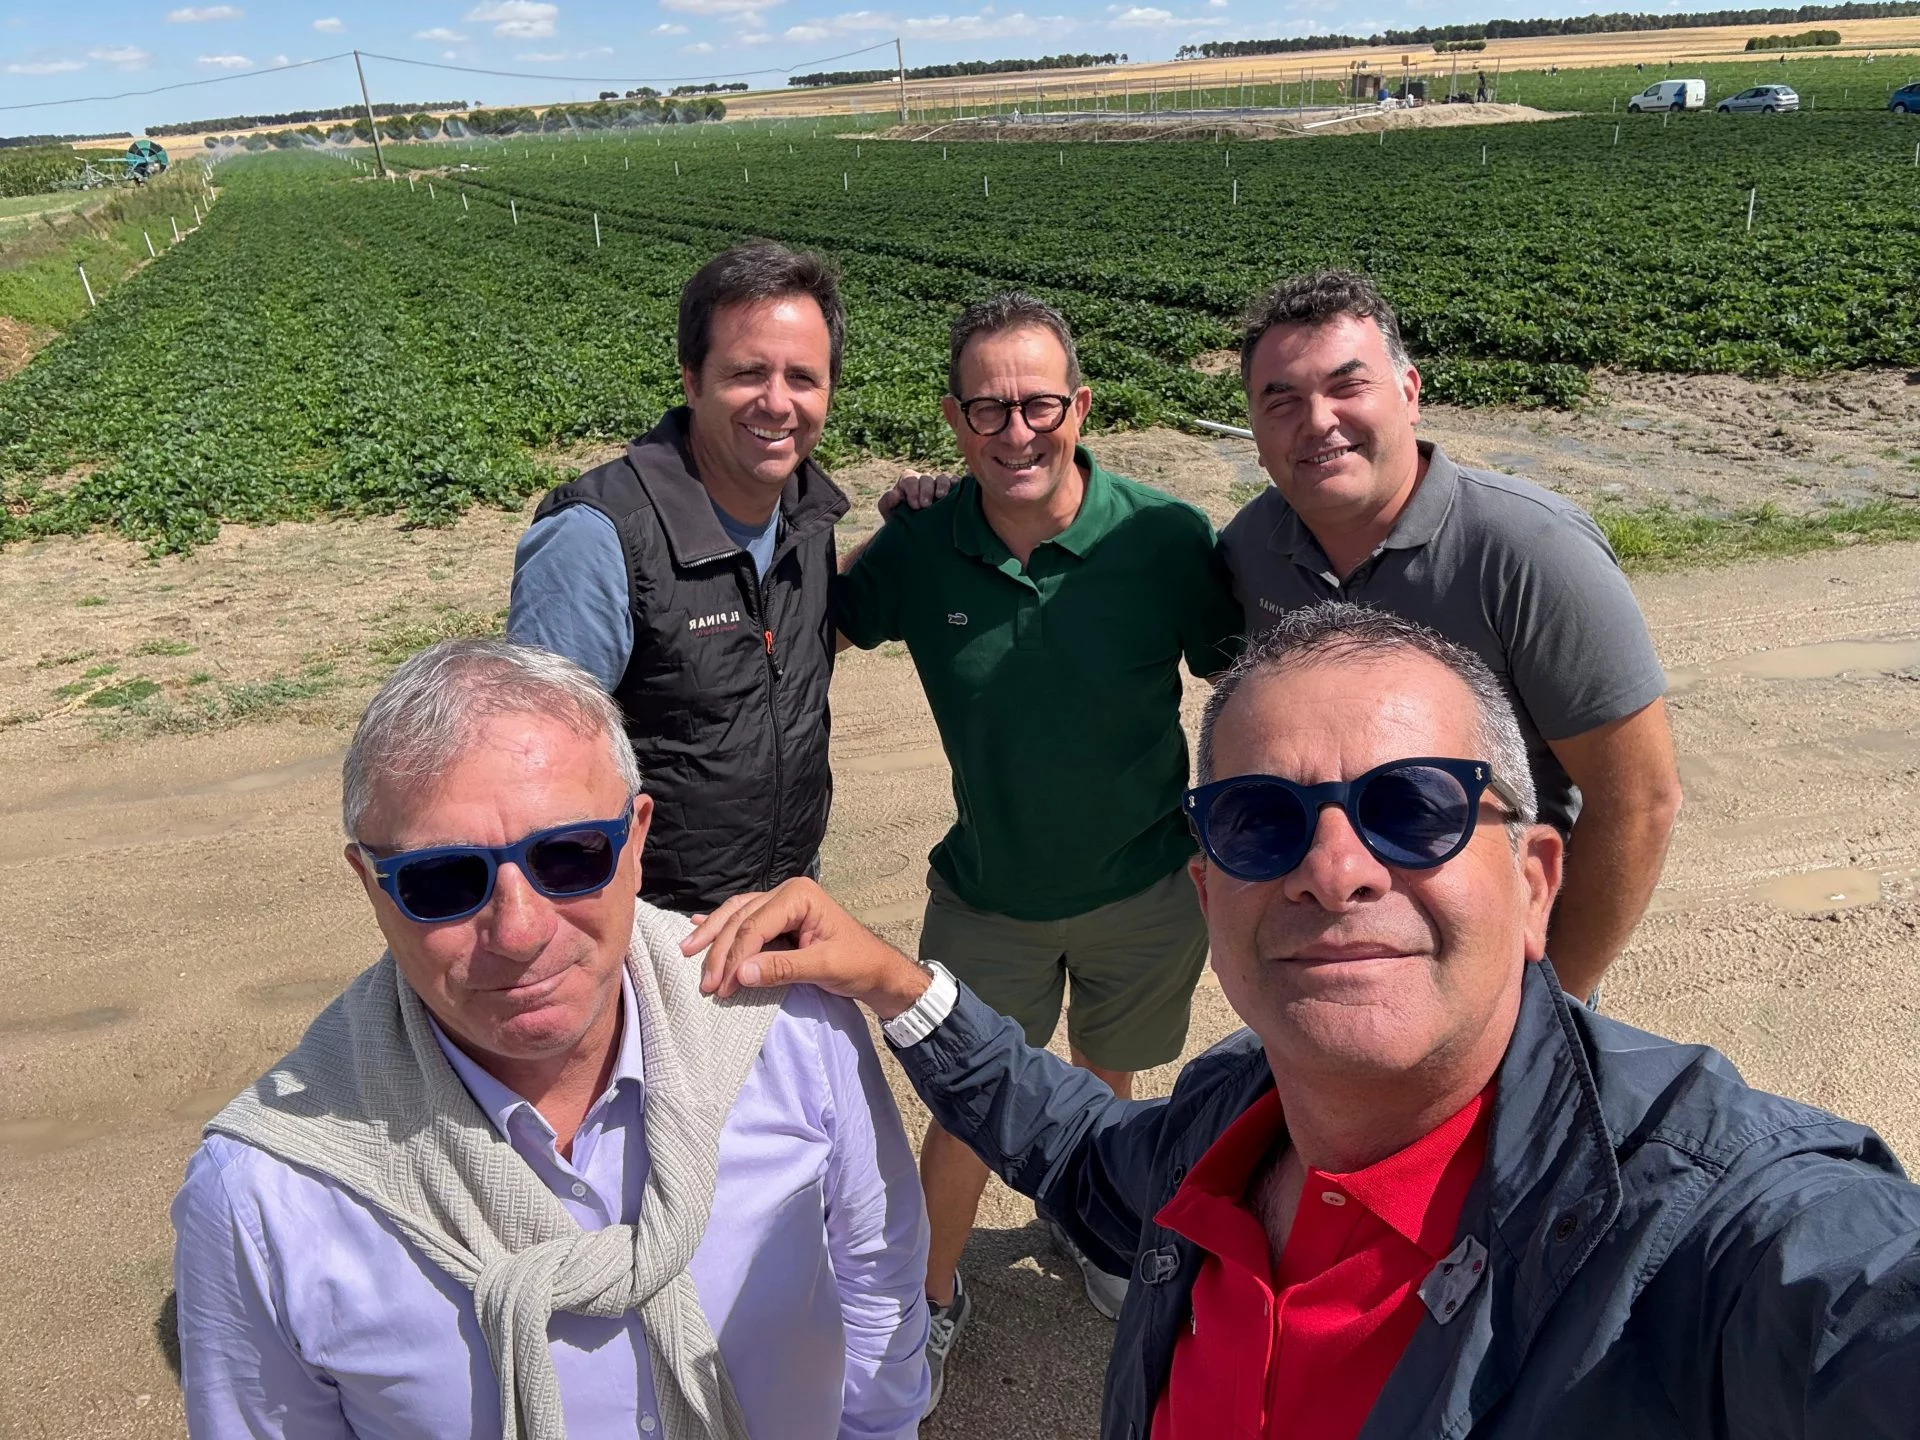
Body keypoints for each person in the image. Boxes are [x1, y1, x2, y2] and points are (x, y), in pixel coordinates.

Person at [689, 601, 1920, 1440]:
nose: (1334, 871)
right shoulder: (1231, 1126)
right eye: (1260, 822)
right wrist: (897, 983)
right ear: (1208, 893)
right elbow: (1079, 1150)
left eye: (1415, 807)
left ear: (1537, 879)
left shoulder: (1709, 1230)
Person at [171, 639, 930, 1440]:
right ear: (371, 884)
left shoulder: (790, 1031)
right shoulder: (264, 1196)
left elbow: (877, 1278)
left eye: (569, 857)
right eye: (444, 879)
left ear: (636, 841)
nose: (519, 931)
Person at [832, 292, 1243, 1405]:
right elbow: (825, 620)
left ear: (1081, 407)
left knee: (1104, 1075)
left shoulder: (1162, 537)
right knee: (968, 1107)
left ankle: (1086, 1218)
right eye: (988, 408)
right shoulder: (922, 547)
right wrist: (890, 522)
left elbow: (1245, 679)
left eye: (1039, 405)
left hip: (1147, 888)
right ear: (954, 420)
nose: (1016, 430)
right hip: (989, 895)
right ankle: (927, 1298)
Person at [1216, 270, 1680, 1001]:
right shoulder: (1250, 549)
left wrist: (1553, 999)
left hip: (1489, 946)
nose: (1317, 420)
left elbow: (1640, 801)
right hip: (1331, 928)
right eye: (1282, 400)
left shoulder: (1530, 552)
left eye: (1347, 386)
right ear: (1253, 423)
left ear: (1409, 392)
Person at [507, 242, 849, 915]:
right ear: (692, 379)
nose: (777, 402)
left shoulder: (806, 515)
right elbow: (531, 770)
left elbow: (783, 641)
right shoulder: (599, 537)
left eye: (803, 378)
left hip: (788, 897)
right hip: (655, 923)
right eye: (748, 372)